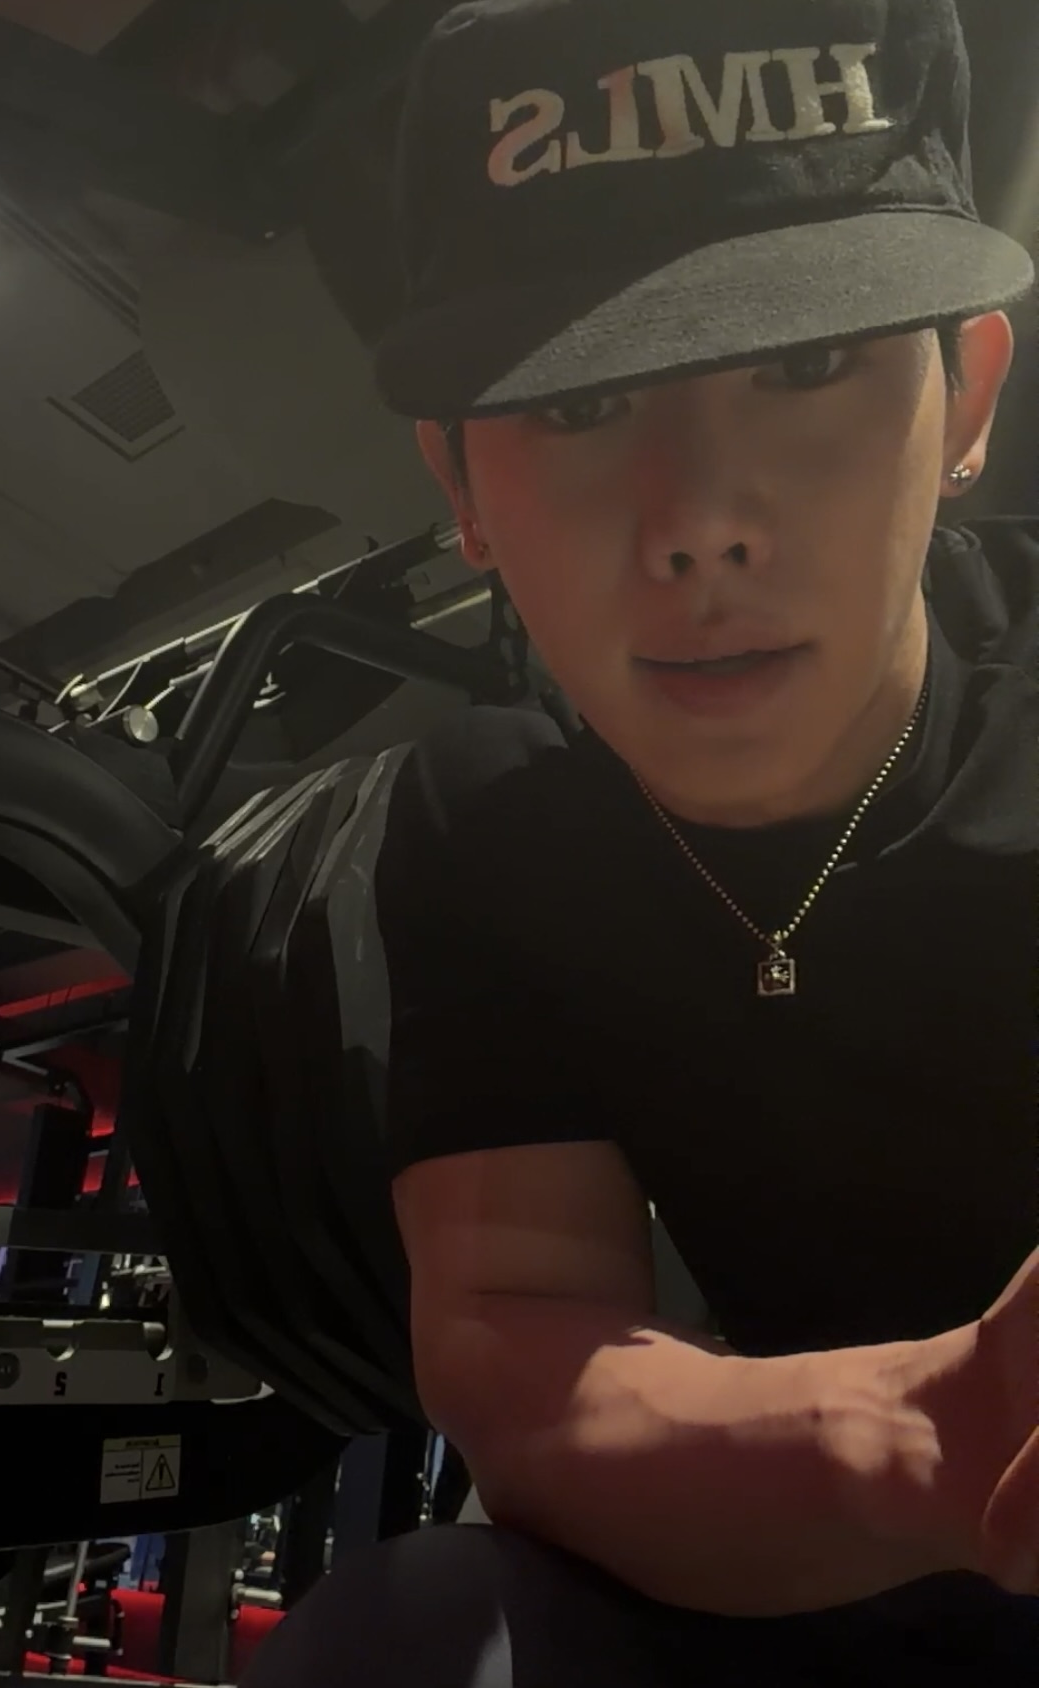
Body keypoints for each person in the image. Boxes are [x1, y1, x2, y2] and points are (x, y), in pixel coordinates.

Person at [243, 0, 1038, 1682]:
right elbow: (519, 1337)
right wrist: (927, 1438)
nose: (697, 525)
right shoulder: (487, 824)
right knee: (408, 1641)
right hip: (799, 1545)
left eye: (807, 367)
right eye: (582, 403)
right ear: (459, 482)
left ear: (965, 391)